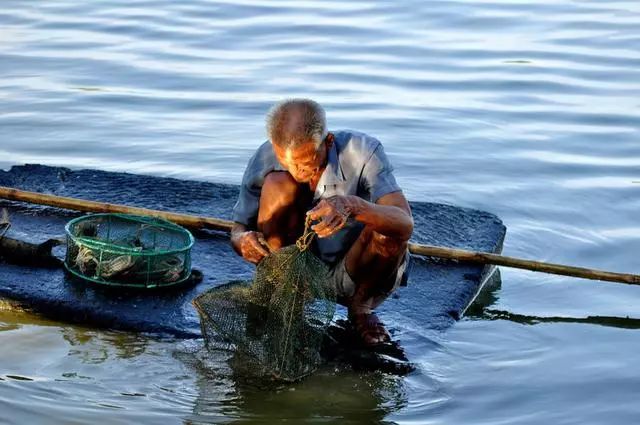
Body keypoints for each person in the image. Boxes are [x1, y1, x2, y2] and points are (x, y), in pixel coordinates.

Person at [230, 98, 413, 346]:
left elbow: (404, 223)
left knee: (387, 229)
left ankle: (361, 308)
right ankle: (289, 295)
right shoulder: (264, 156)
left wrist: (352, 205)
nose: (297, 171)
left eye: (305, 163)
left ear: (327, 142)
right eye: (287, 162)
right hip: (297, 271)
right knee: (277, 185)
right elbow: (238, 229)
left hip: (357, 268)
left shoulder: (364, 152)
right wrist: (242, 240)